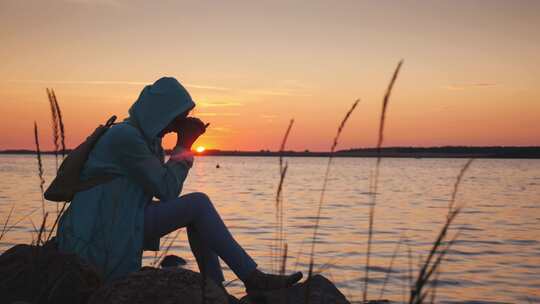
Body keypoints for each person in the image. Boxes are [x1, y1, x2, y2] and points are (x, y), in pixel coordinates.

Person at [56, 77, 302, 295]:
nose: (176, 125)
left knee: (196, 212)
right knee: (198, 204)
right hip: (103, 230)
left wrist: (182, 144)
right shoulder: (126, 138)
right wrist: (184, 144)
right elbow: (167, 191)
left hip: (119, 220)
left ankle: (214, 288)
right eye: (176, 118)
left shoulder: (143, 139)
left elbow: (161, 189)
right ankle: (249, 278)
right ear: (159, 113)